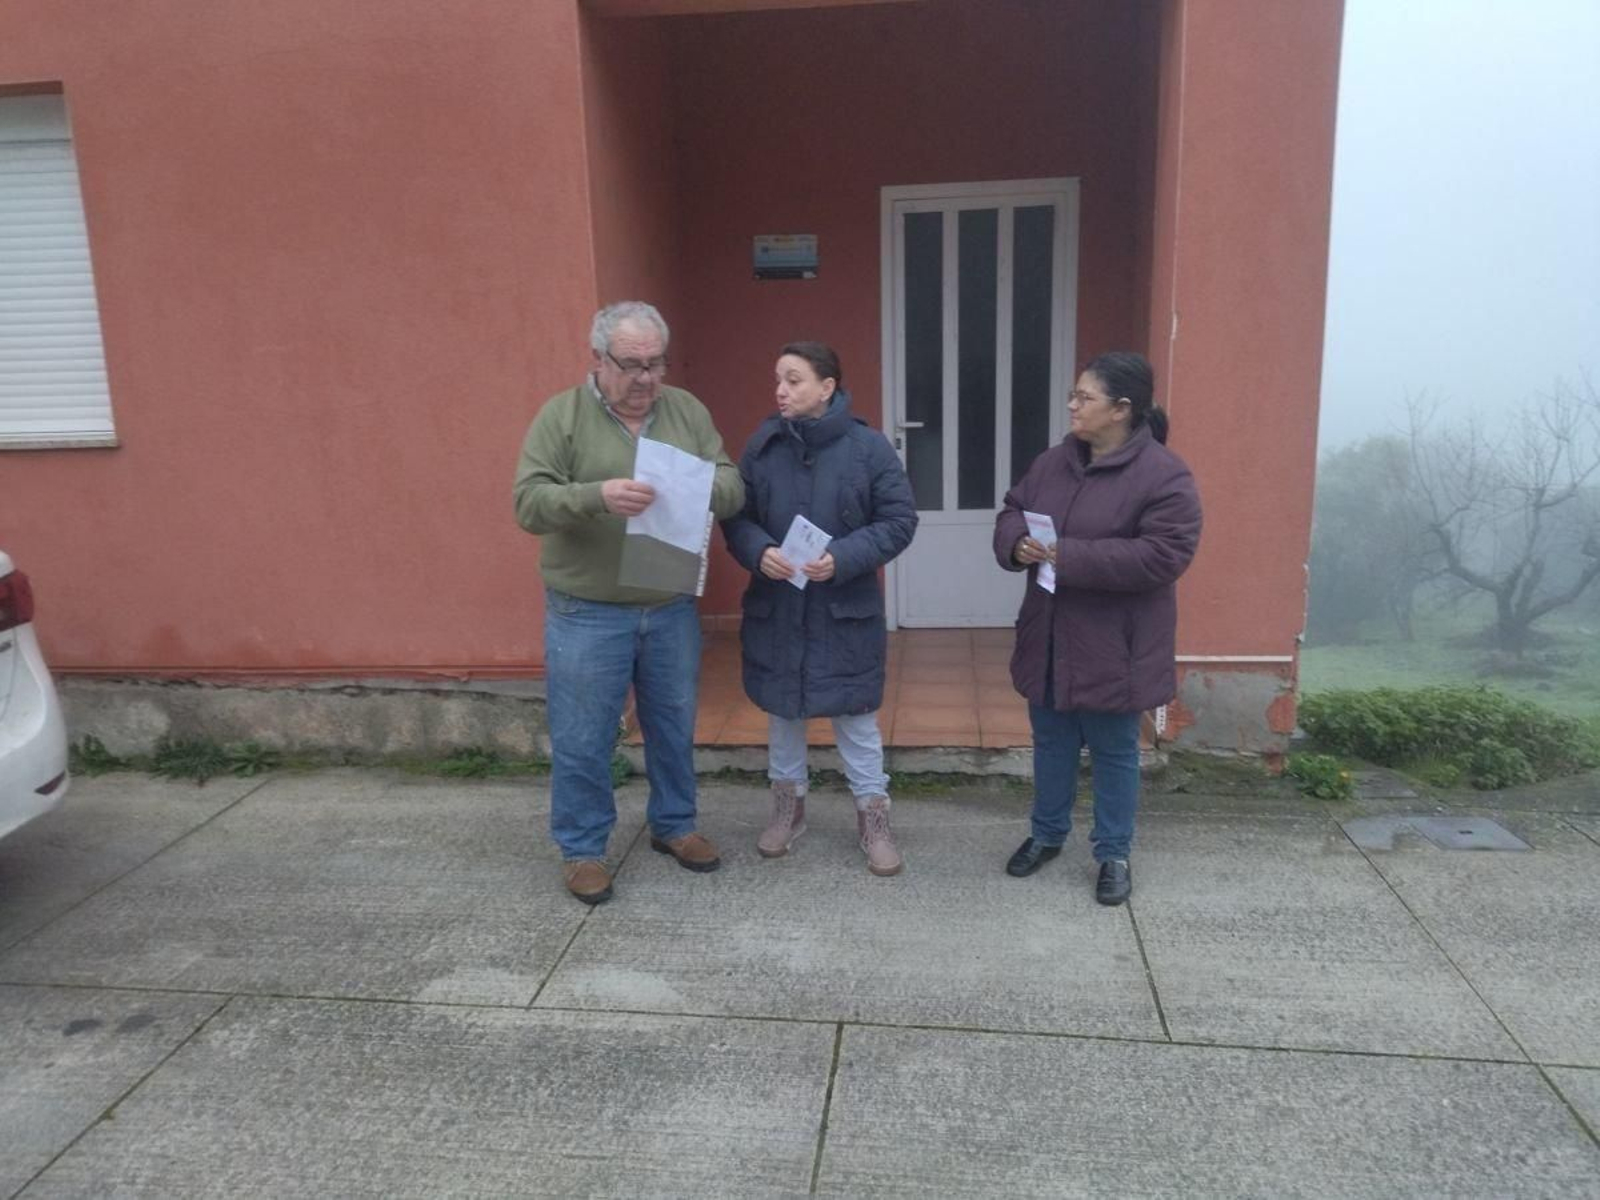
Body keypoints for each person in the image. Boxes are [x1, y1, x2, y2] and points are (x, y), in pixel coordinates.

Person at [514, 301, 744, 905]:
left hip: (668, 606)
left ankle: (674, 825)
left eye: (655, 364)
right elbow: (529, 503)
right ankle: (584, 848)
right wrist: (595, 495)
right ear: (598, 360)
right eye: (631, 365)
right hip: (587, 610)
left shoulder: (687, 411)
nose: (645, 378)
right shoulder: (560, 418)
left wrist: (695, 487)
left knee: (673, 725)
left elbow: (732, 482)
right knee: (584, 735)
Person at [993, 351, 1201, 905]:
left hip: (1117, 645)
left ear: (1122, 410)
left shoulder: (1165, 476)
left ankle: (1113, 852)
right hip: (1051, 634)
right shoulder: (1052, 463)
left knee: (1113, 751)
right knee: (1052, 743)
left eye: (1085, 397)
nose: (1072, 405)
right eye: (1074, 394)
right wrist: (1017, 543)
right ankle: (1047, 834)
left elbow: (1164, 555)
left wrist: (1068, 555)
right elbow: (1012, 507)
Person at [722, 342, 918, 875]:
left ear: (827, 388)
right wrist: (759, 551)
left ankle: (873, 817)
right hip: (779, 605)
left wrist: (843, 557)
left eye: (794, 380)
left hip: (843, 608)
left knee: (856, 718)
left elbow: (900, 520)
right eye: (778, 381)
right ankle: (788, 810)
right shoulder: (762, 446)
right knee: (784, 713)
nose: (781, 391)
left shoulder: (868, 448)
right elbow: (736, 519)